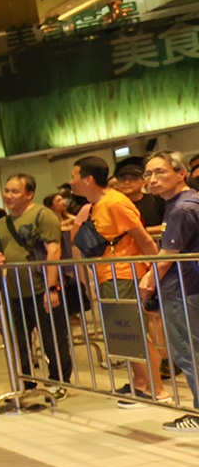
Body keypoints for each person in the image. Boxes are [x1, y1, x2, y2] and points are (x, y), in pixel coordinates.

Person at [70, 156, 168, 407]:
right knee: (124, 333)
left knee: (134, 331)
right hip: (109, 275)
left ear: (88, 179)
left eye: (74, 176)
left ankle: (155, 389)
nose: (71, 182)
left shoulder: (115, 202)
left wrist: (155, 274)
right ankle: (140, 383)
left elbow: (144, 239)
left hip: (124, 274)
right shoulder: (99, 204)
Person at [0, 174, 70, 400]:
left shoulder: (43, 216)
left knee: (52, 338)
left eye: (15, 191)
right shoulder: (2, 223)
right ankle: (26, 380)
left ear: (29, 194)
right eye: (6, 190)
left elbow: (54, 251)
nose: (8, 195)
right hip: (14, 292)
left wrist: (51, 288)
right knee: (20, 340)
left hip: (41, 288)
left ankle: (58, 381)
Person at [139, 150, 199, 432]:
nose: (152, 179)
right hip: (187, 287)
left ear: (181, 173)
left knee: (189, 352)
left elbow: (167, 256)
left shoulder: (182, 208)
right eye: (148, 173)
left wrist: (149, 279)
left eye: (160, 172)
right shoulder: (185, 202)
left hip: (184, 289)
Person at [112, 158, 166, 232]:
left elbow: (168, 225)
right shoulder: (114, 205)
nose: (127, 182)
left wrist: (144, 231)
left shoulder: (157, 200)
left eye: (133, 178)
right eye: (122, 179)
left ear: (144, 181)